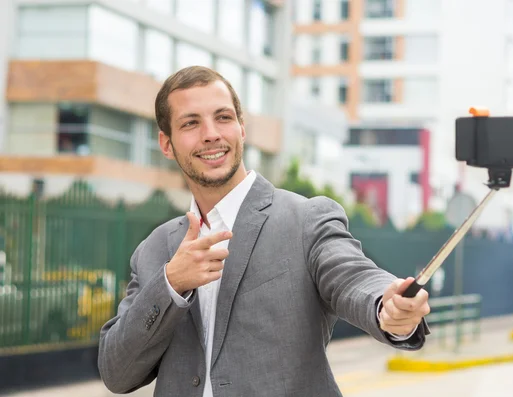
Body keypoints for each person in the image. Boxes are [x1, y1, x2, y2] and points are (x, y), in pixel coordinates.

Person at [98, 66, 431, 397]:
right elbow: (117, 373)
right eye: (191, 123)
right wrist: (171, 283)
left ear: (242, 129)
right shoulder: (154, 249)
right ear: (166, 143)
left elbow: (354, 277)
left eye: (224, 118)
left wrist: (385, 307)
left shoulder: (306, 219)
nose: (211, 133)